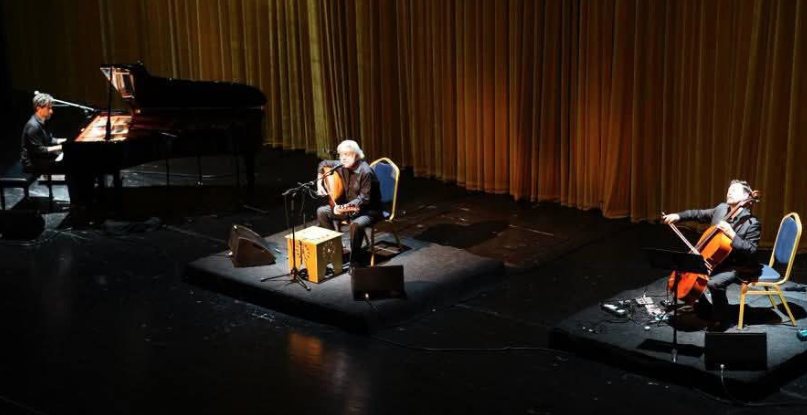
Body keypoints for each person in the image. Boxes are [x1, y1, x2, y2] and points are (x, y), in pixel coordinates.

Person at [662, 180, 761, 330]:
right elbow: (698, 214)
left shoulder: (752, 223)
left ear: (746, 196)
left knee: (714, 283)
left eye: (734, 190)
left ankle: (722, 320)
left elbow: (751, 250)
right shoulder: (721, 209)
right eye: (729, 190)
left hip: (737, 265)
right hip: (714, 260)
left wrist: (731, 234)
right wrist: (678, 216)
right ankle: (705, 309)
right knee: (689, 267)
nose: (729, 192)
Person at [21, 93, 91, 222]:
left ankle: (82, 198)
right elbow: (39, 150)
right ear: (39, 108)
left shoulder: (41, 122)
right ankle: (76, 203)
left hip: (42, 158)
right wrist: (62, 147)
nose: (51, 111)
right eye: (49, 108)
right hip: (34, 162)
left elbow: (49, 140)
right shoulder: (33, 126)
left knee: (75, 163)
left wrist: (66, 141)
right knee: (71, 167)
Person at [316, 140, 382, 268]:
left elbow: (364, 199)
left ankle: (355, 260)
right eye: (341, 155)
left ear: (356, 155)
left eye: (347, 154)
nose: (343, 158)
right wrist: (319, 184)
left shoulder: (366, 172)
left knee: (356, 224)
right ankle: (337, 251)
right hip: (348, 210)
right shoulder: (341, 165)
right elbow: (323, 164)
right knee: (322, 212)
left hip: (368, 211)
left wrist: (342, 207)